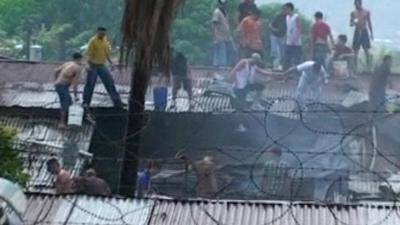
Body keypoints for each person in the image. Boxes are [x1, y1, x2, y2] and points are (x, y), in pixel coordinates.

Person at [83, 27, 123, 109]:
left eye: (104, 34)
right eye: (101, 33)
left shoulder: (105, 40)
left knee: (110, 82)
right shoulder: (93, 41)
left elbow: (107, 53)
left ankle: (117, 102)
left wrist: (111, 63)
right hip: (92, 64)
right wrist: (87, 64)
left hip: (101, 65)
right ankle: (86, 103)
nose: (102, 35)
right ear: (97, 32)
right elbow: (88, 54)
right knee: (90, 84)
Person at [54, 53, 83, 128]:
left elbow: (56, 71)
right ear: (79, 59)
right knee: (65, 103)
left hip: (59, 85)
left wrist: (56, 81)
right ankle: (62, 123)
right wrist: (76, 96)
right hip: (62, 86)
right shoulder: (77, 68)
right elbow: (75, 84)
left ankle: (69, 122)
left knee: (69, 102)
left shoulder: (68, 63)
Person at [350, 0, 373, 71]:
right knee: (355, 51)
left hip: (364, 31)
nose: (356, 6)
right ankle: (355, 68)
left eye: (357, 4)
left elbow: (369, 22)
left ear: (360, 4)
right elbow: (350, 24)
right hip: (357, 31)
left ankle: (368, 68)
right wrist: (354, 21)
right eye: (355, 4)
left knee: (366, 51)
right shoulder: (353, 13)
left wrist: (371, 33)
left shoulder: (366, 12)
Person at [213, 0, 234, 67]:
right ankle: (219, 66)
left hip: (227, 36)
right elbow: (215, 25)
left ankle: (228, 65)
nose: (224, 5)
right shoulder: (217, 12)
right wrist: (216, 37)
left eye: (225, 3)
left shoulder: (225, 12)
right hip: (219, 36)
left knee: (230, 50)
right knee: (220, 52)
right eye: (222, 3)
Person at [283, 2, 303, 70]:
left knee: (297, 60)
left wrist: (295, 39)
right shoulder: (287, 17)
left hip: (296, 43)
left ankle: (298, 75)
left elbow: (299, 29)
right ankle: (285, 75)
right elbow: (288, 29)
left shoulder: (296, 17)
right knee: (286, 59)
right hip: (288, 42)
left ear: (289, 8)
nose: (284, 10)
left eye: (285, 9)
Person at [269, 5, 287, 70]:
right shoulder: (277, 16)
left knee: (283, 53)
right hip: (274, 35)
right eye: (284, 9)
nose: (285, 11)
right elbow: (270, 25)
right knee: (275, 52)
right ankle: (274, 67)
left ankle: (281, 66)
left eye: (286, 9)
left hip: (282, 36)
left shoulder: (288, 17)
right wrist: (274, 29)